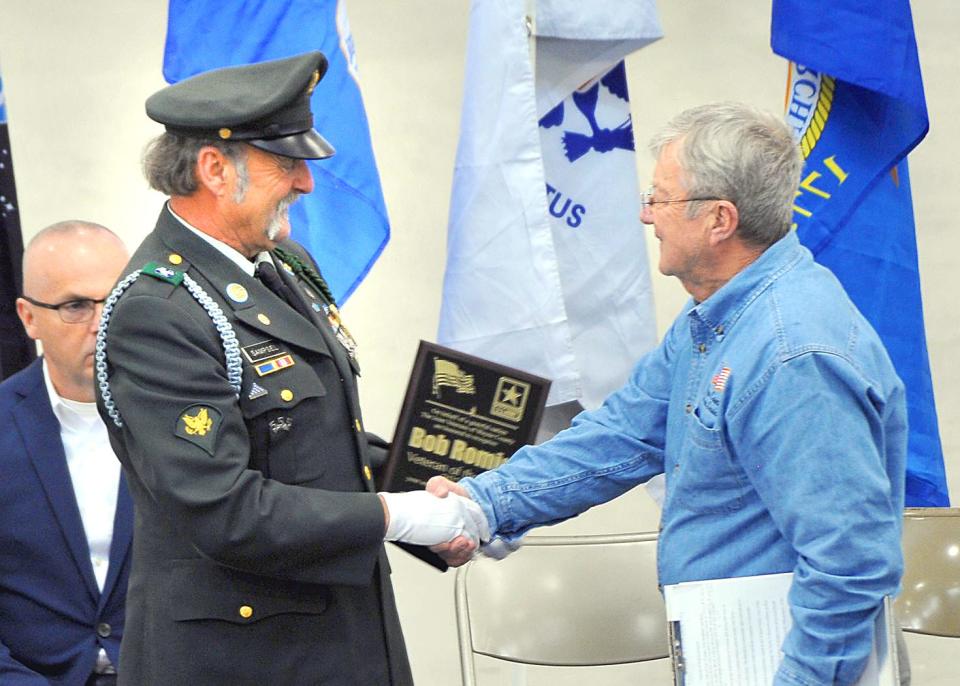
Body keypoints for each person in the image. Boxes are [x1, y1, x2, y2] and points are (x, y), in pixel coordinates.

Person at [429, 102, 908, 685]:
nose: (646, 216)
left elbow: (849, 565)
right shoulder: (716, 318)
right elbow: (621, 436)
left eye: (659, 198)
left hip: (784, 664)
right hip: (723, 650)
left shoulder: (792, 354)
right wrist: (484, 503)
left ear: (719, 219)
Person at [94, 51, 482, 686]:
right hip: (243, 659)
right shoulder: (156, 310)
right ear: (215, 169)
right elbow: (224, 510)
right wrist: (396, 515)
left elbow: (312, 444)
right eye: (286, 163)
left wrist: (451, 495)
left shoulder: (284, 263)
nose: (305, 182)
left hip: (346, 634)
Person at [1, 221, 132, 685]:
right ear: (29, 317)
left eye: (115, 300)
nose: (102, 324)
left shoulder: (187, 415)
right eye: (76, 306)